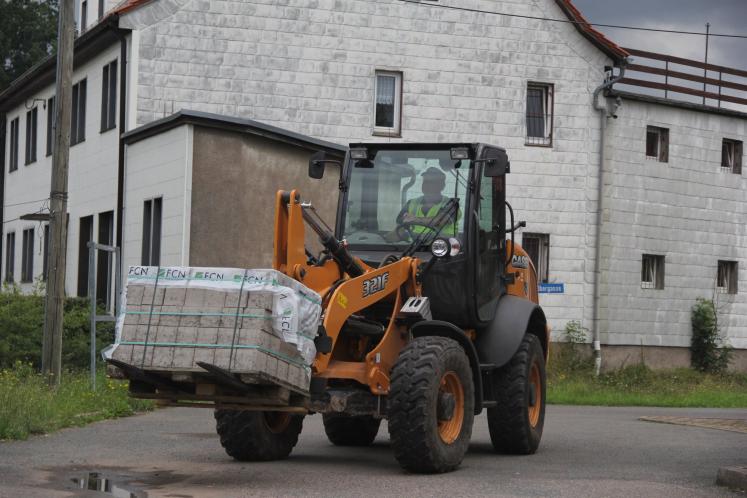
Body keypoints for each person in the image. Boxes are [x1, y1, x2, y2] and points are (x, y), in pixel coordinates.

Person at [388, 167, 459, 241]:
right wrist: (383, 240)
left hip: (441, 249)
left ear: (442, 185)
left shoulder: (451, 204)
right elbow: (400, 229)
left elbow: (440, 221)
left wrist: (416, 219)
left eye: (432, 182)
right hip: (412, 249)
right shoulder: (411, 203)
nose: (427, 185)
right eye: (425, 182)